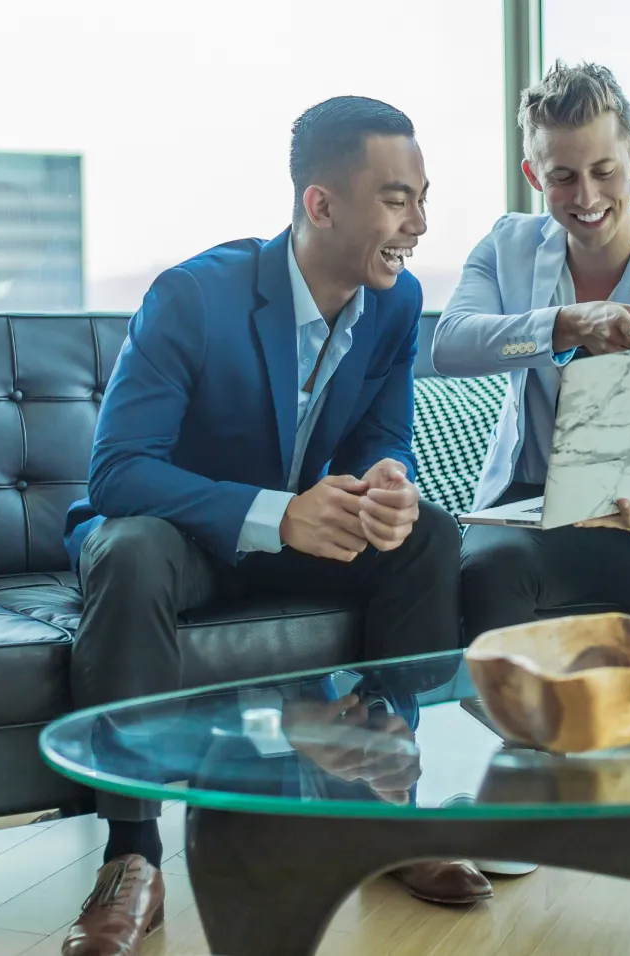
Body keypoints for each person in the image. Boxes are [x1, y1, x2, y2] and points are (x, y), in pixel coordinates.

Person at [57, 96, 476, 955]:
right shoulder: (192, 296)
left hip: (298, 535)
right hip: (186, 539)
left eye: (423, 197)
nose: (421, 223)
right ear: (321, 204)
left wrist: (389, 481)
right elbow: (119, 472)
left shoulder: (396, 306)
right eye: (398, 198)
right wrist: (276, 516)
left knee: (426, 533)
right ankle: (133, 856)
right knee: (128, 553)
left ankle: (381, 795)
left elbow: (379, 436)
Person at [432, 61, 630, 643]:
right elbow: (450, 345)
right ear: (533, 174)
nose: (587, 197)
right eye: (563, 177)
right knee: (487, 569)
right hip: (533, 507)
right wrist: (566, 324)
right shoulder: (506, 248)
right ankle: (515, 735)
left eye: (604, 170)